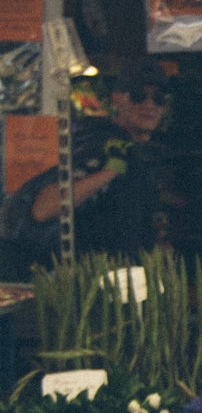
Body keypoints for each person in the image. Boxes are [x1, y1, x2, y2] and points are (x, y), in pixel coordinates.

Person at [1, 56, 168, 265]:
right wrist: (111, 170)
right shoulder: (102, 143)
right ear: (117, 99)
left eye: (159, 98)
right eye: (138, 96)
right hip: (90, 279)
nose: (150, 105)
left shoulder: (140, 152)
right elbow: (44, 208)